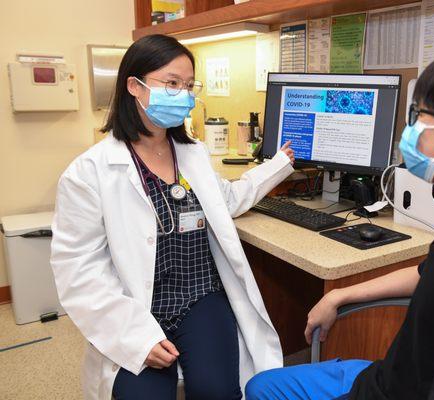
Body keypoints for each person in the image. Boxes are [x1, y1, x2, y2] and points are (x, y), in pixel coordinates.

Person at [245, 44, 434, 400]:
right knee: (259, 386)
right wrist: (342, 294)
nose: (410, 128)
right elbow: (432, 274)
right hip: (387, 378)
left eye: (420, 115)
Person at [50, 34, 295, 400]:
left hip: (201, 296)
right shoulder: (89, 173)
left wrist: (277, 167)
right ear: (135, 86)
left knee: (217, 391)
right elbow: (79, 271)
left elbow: (225, 199)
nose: (183, 94)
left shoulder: (191, 154)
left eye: (187, 85)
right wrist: (136, 337)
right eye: (171, 83)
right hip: (136, 305)